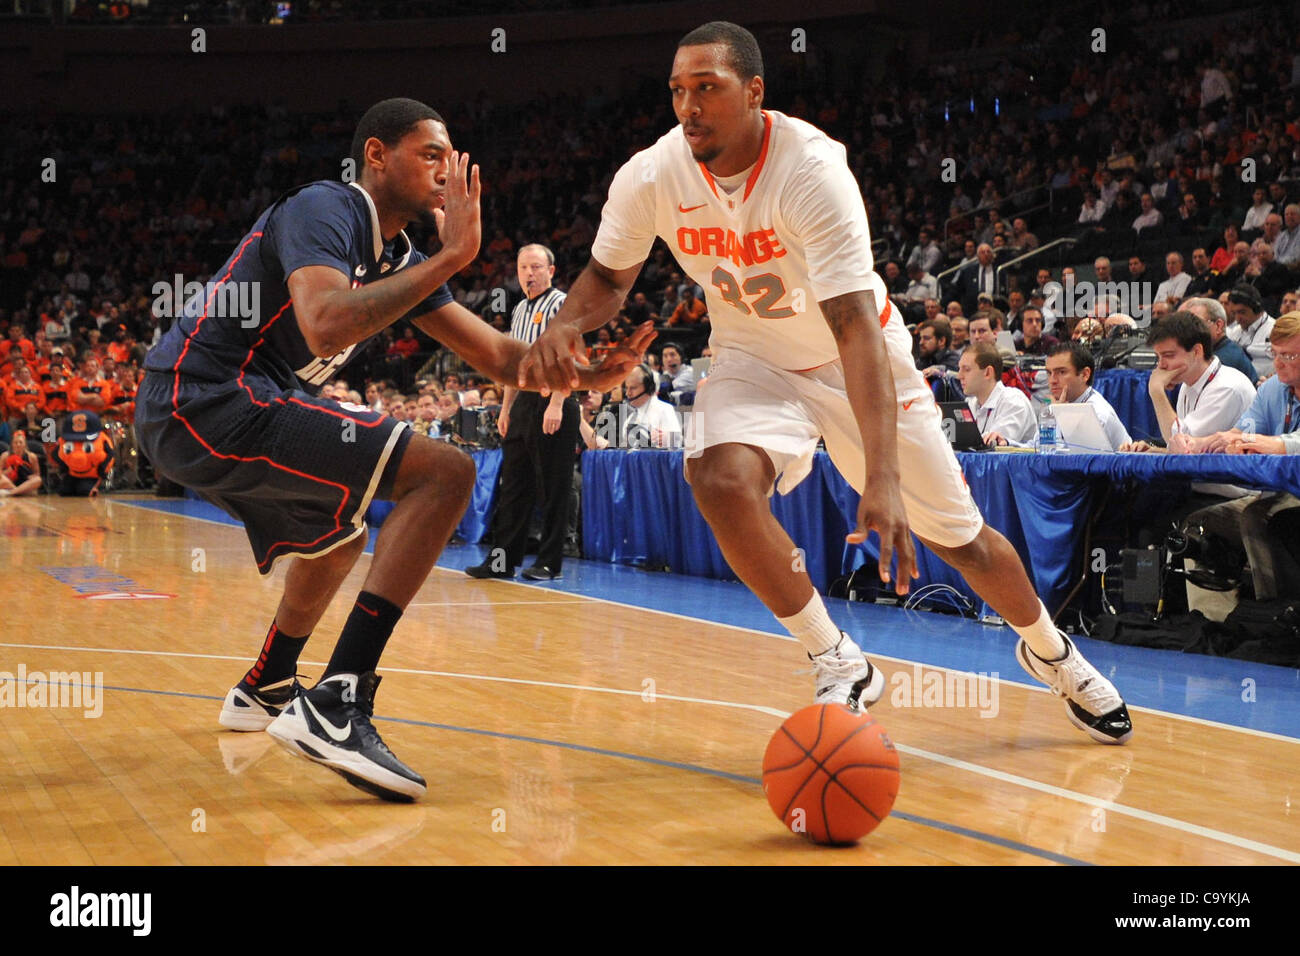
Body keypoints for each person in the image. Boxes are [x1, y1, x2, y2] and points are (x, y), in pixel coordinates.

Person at [517, 22, 1131, 743]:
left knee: (964, 543)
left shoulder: (811, 168)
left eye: (706, 89)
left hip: (857, 358)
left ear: (754, 92)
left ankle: (1054, 654)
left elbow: (853, 329)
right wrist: (565, 327)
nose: (688, 107)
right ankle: (836, 655)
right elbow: (607, 278)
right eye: (678, 91)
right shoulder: (652, 174)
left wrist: (883, 476)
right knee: (714, 477)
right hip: (752, 354)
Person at [135, 98, 647, 802]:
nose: (446, 170)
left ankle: (266, 686)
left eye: (451, 156)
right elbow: (322, 324)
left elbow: (499, 356)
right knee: (445, 473)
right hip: (202, 393)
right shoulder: (328, 208)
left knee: (335, 538)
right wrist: (454, 258)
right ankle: (338, 702)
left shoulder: (399, 256)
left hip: (223, 404)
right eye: (430, 154)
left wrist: (576, 374)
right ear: (377, 155)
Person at [465, 243, 580, 582]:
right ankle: (502, 560)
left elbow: (569, 357)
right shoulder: (517, 311)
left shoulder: (562, 304)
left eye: (535, 267)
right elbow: (514, 366)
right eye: (523, 268)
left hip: (554, 399)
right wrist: (506, 408)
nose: (529, 273)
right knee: (513, 485)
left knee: (554, 486)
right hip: (523, 403)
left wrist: (558, 402)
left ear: (551, 271)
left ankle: (550, 563)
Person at [1176, 313, 1300, 599]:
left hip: (1287, 496)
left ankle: (1273, 616)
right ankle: (1213, 622)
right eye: (1275, 353)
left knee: (1257, 517)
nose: (1278, 362)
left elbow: (1287, 443)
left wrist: (1250, 440)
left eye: (1289, 356)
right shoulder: (1273, 388)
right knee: (1199, 523)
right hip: (1272, 493)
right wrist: (1211, 442)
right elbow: (1241, 431)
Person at [1119, 312, 1256, 452]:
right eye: (1158, 357)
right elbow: (1187, 451)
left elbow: (1184, 450)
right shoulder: (1188, 383)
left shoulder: (1226, 388)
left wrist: (1156, 391)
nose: (1161, 365)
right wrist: (1153, 451)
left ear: (1197, 351)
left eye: (1168, 356)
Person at [957, 343, 1036, 446]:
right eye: (959, 369)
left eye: (966, 370)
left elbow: (993, 444)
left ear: (988, 373)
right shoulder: (970, 403)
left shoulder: (1014, 401)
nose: (959, 376)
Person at [619, 365, 682, 448]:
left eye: (633, 388)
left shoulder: (665, 409)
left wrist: (667, 439)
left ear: (649, 388)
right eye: (626, 388)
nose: (627, 393)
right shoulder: (630, 417)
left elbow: (677, 443)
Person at [0, 429, 41, 497]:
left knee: (38, 480)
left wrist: (30, 477)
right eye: (15, 442)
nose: (18, 445)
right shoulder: (5, 456)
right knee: (3, 481)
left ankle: (11, 493)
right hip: (9, 483)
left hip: (25, 483)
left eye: (20, 442)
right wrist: (8, 471)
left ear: (24, 444)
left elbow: (37, 474)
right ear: (12, 444)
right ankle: (19, 491)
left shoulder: (32, 456)